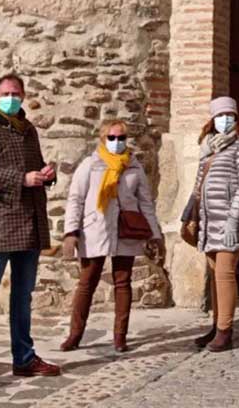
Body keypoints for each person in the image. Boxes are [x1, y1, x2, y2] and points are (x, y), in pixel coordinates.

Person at [0, 73, 61, 391]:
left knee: (23, 296)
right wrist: (21, 179)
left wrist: (47, 174)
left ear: (23, 95)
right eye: (5, 93)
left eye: (16, 93)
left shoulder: (28, 129)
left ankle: (24, 358)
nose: (11, 98)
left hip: (29, 222)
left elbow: (34, 167)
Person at [60, 119, 165, 353]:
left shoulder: (134, 167)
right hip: (94, 229)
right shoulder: (90, 165)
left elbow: (145, 203)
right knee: (87, 283)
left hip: (126, 229)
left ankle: (120, 337)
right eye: (112, 138)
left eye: (121, 138)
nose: (117, 142)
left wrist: (155, 234)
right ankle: (75, 335)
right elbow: (75, 199)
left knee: (122, 282)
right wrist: (71, 232)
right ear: (103, 139)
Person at [179, 97, 239, 352]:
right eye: (220, 115)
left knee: (225, 274)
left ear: (237, 117)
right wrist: (189, 213)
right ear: (212, 119)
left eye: (229, 115)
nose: (225, 120)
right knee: (214, 275)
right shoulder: (209, 147)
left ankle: (226, 330)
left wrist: (234, 220)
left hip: (230, 221)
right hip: (209, 219)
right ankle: (216, 325)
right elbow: (198, 183)